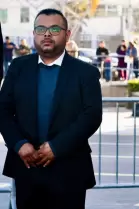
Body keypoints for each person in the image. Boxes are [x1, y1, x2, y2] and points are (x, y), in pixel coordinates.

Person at [0, 8, 102, 209]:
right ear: (34, 34)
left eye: (54, 29)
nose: (47, 34)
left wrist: (56, 147)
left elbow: (91, 116)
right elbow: (2, 110)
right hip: (26, 166)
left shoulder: (86, 73)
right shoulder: (18, 68)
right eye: (41, 29)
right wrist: (19, 144)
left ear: (67, 34)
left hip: (69, 168)